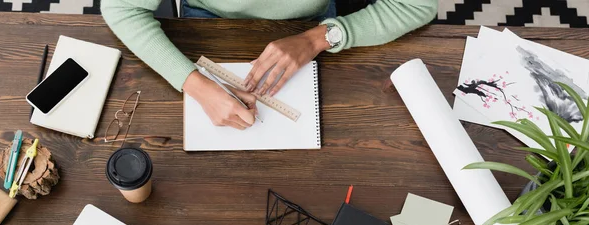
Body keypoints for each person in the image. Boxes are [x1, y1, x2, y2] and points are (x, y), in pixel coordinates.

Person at [102, 0, 438, 130]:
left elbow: (417, 5)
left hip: (314, 21)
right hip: (207, 20)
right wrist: (195, 84)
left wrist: (318, 38)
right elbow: (120, 7)